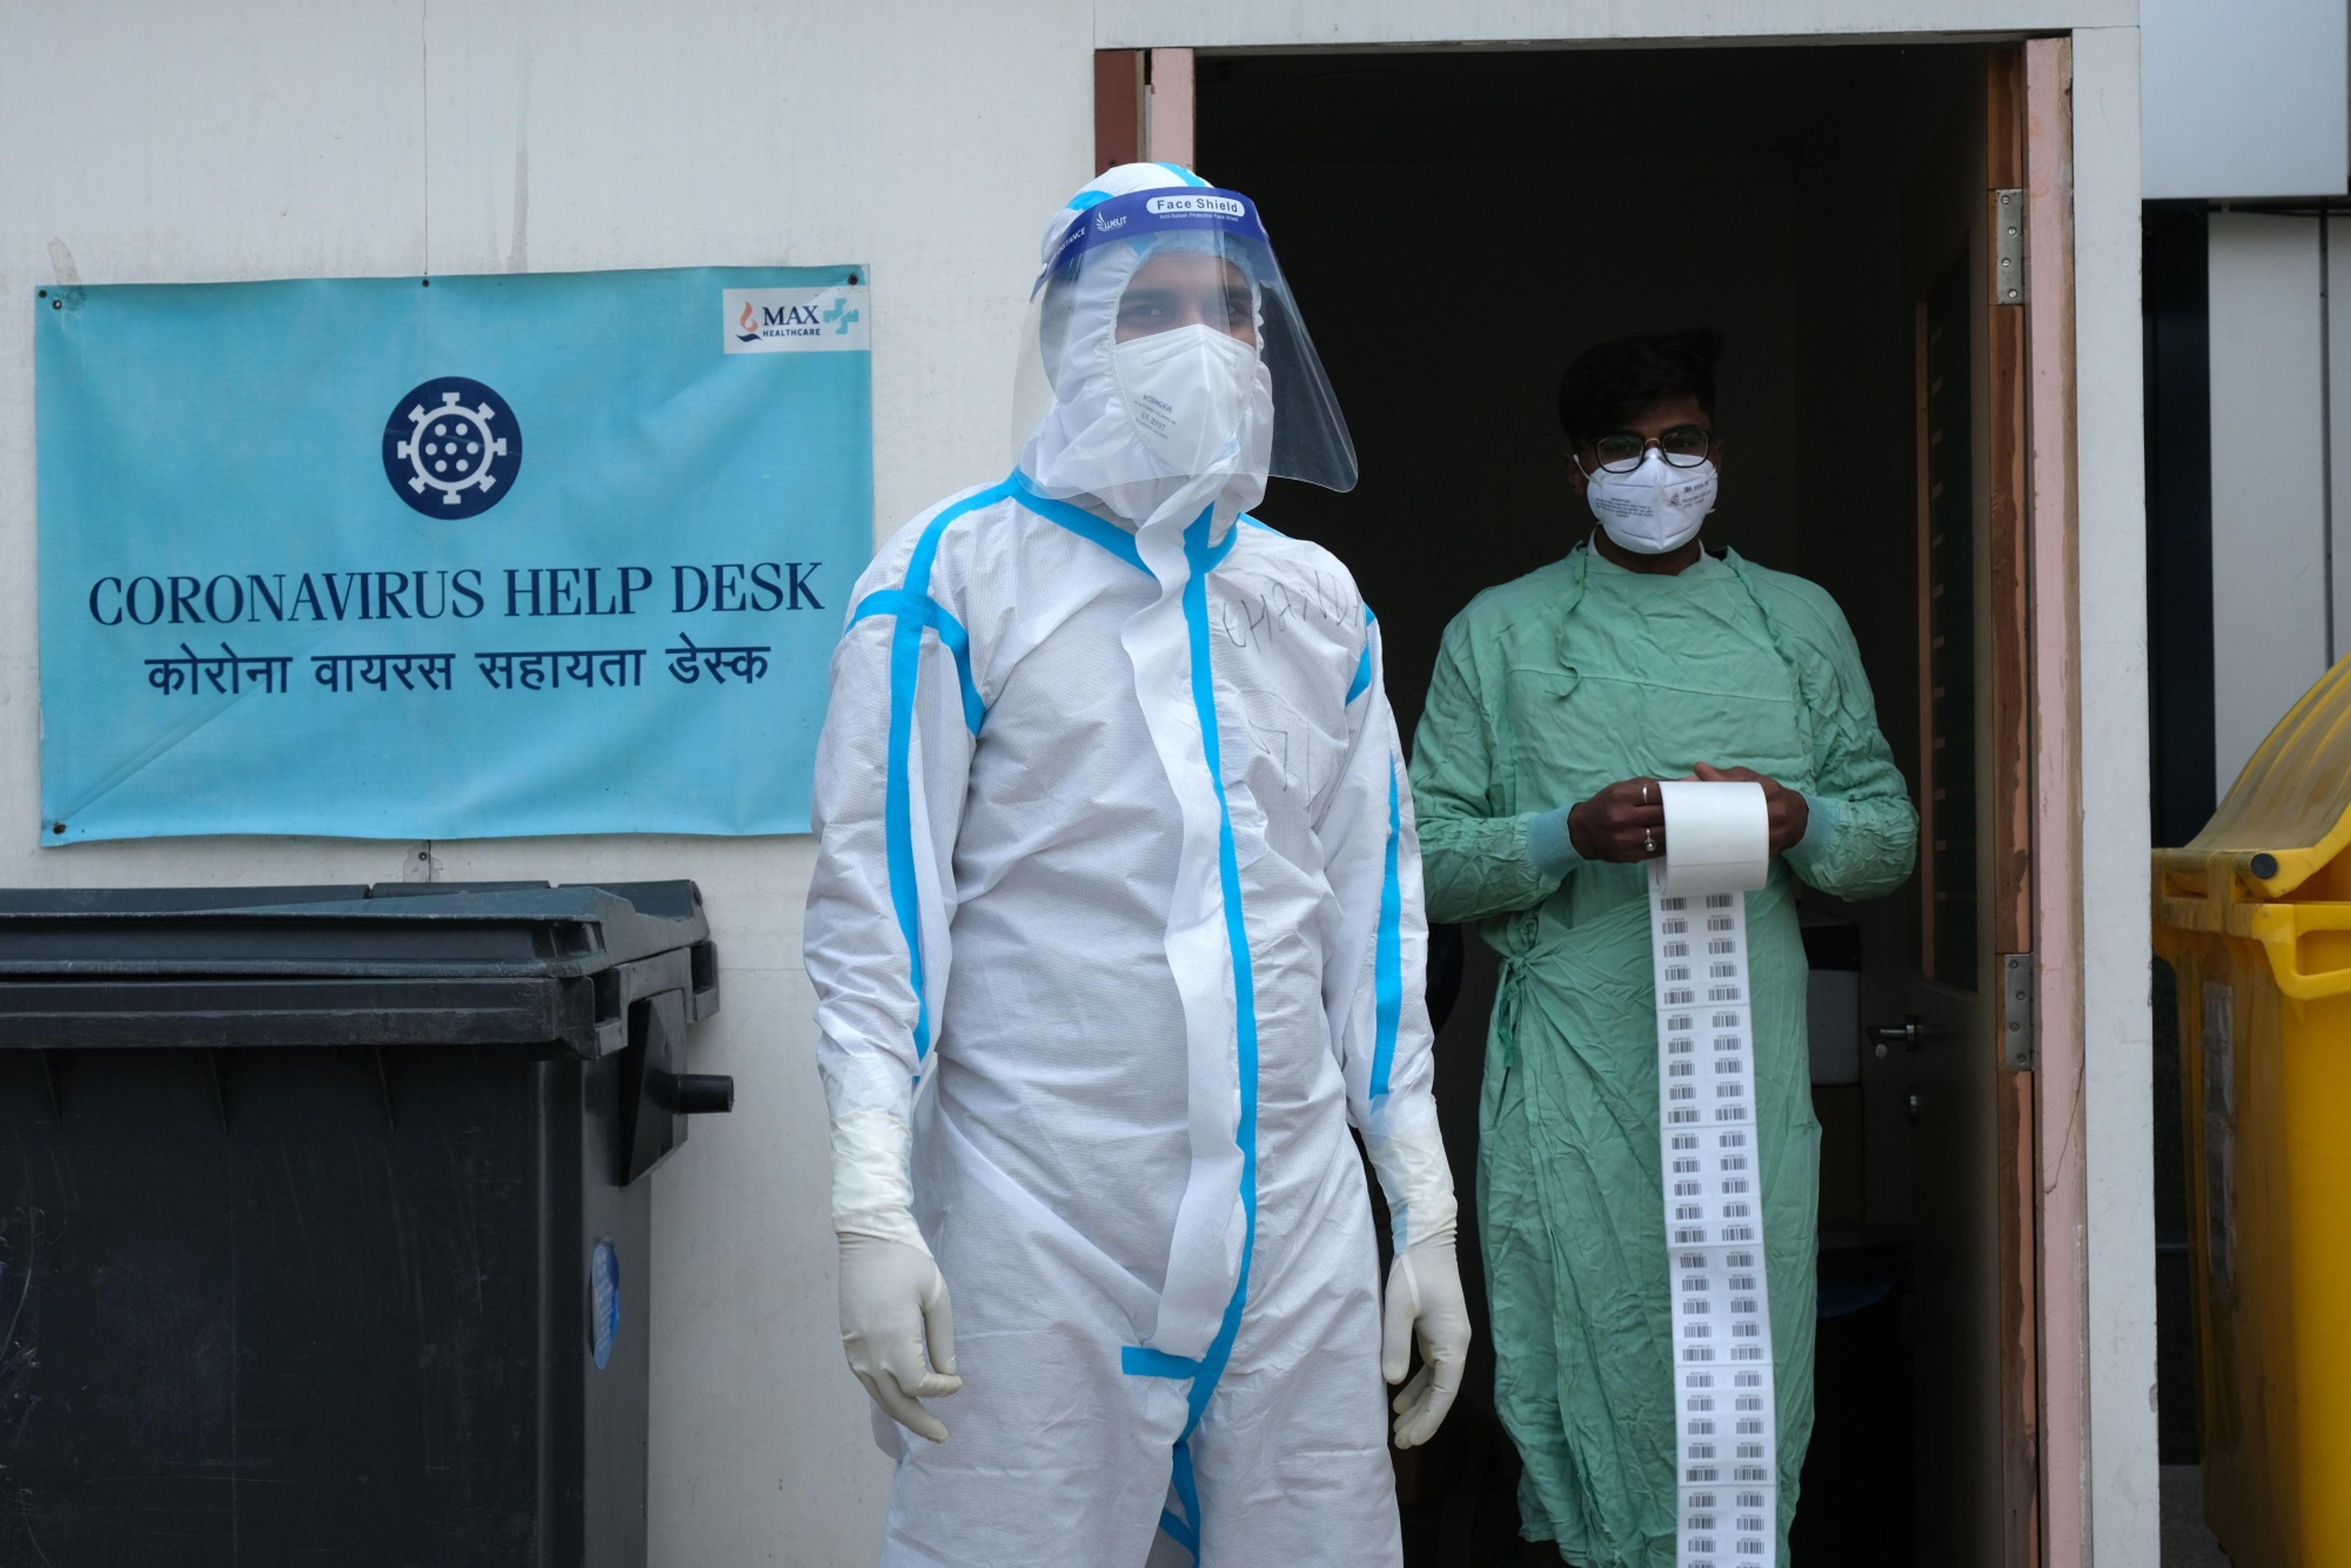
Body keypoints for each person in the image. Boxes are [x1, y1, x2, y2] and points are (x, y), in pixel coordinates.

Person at [803, 162, 1471, 1567]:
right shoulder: (952, 580)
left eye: (1228, 309)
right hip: (1038, 1213)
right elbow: (880, 922)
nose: (1200, 341)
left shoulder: (1312, 601)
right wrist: (871, 1203)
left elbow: (1372, 924)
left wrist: (1421, 1204)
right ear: (1071, 337)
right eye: (1150, 308)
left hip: (1291, 1220)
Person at [1407, 328, 1918, 1567]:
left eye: (1680, 442)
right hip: (1575, 1073)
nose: (1655, 469)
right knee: (1586, 1320)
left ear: (1717, 453)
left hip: (1744, 1077)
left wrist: (1802, 821)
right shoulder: (1502, 634)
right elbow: (1421, 860)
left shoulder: (1795, 624)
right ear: (1575, 470)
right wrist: (1563, 833)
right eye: (1622, 448)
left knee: (1745, 1336)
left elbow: (1888, 838)